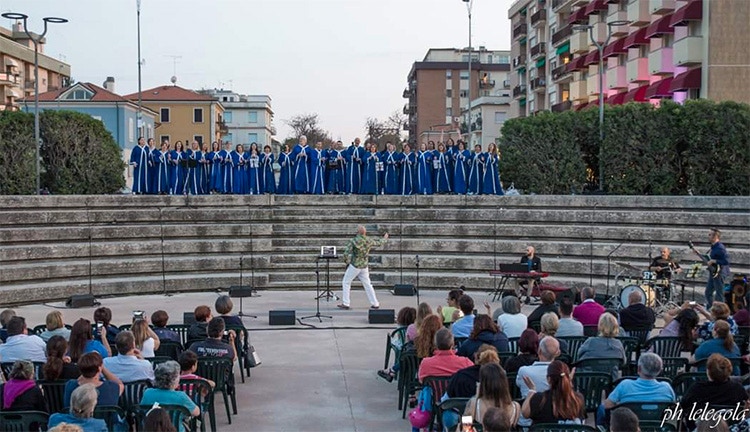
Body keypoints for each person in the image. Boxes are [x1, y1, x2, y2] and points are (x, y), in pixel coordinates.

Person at [598, 352, 675, 425]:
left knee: (601, 407)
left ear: (639, 369)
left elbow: (607, 405)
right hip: (657, 426)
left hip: (628, 426)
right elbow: (673, 407)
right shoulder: (666, 387)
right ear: (660, 371)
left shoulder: (625, 385)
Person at [682, 354, 748, 430]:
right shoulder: (737, 389)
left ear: (708, 371)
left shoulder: (696, 389)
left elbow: (683, 407)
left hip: (700, 428)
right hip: (729, 429)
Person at [337, 225, 388, 310]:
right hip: (364, 265)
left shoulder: (354, 241)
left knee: (346, 282)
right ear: (365, 232)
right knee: (368, 284)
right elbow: (378, 243)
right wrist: (385, 238)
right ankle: (375, 303)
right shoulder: (368, 240)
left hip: (355, 265)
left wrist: (346, 262)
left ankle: (346, 303)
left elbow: (346, 253)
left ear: (357, 232)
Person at [139, 361, 200, 432]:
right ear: (174, 380)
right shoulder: (181, 396)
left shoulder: (148, 393)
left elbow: (142, 411)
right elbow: (196, 412)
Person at [521, 360, 586, 426]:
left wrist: (532, 391)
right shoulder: (578, 398)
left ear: (549, 379)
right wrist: (568, 383)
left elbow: (525, 414)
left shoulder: (539, 399)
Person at [463, 363, 520, 430]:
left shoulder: (474, 404)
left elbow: (465, 428)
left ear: (483, 384)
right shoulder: (516, 407)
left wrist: (476, 397)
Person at [577, 313, 627, 379]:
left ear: (600, 326)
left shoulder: (590, 342)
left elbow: (579, 355)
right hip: (611, 380)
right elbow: (623, 362)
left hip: (590, 380)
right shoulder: (618, 344)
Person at [697, 228, 731, 308]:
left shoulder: (720, 248)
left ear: (715, 236)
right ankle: (711, 309)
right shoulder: (713, 247)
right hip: (713, 272)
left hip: (720, 273)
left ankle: (721, 311)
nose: (708, 236)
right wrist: (699, 254)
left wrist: (714, 261)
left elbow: (726, 261)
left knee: (719, 294)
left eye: (710, 235)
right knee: (708, 292)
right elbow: (709, 258)